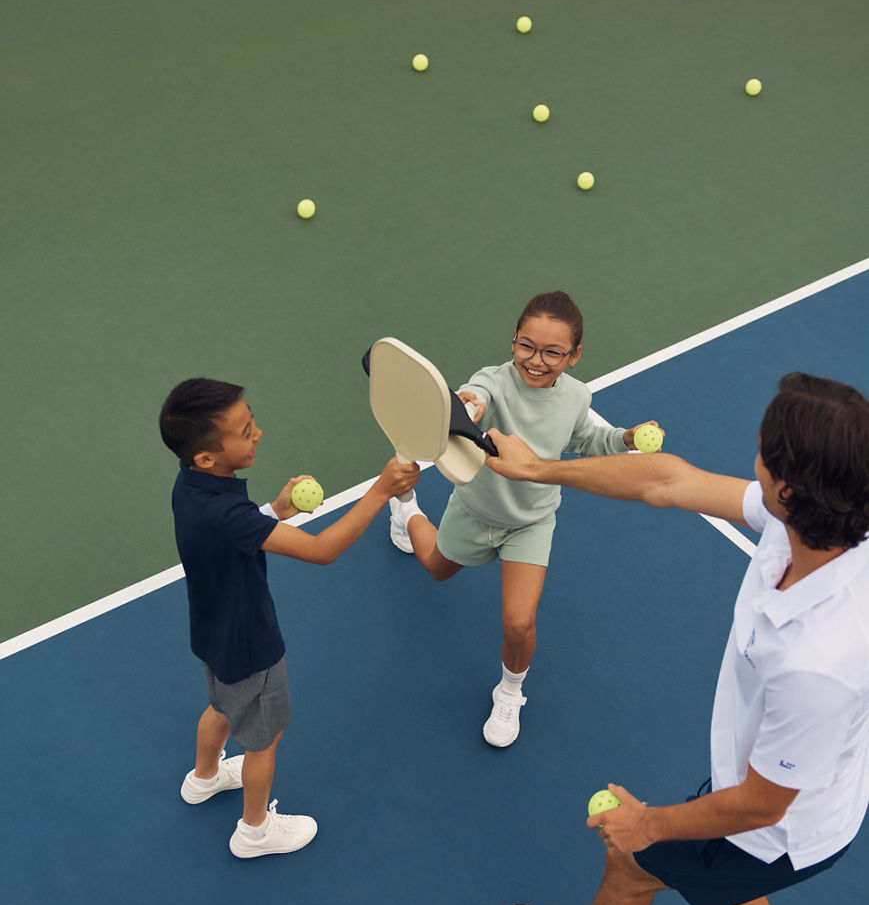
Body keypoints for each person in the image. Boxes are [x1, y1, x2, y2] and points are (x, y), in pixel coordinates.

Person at [487, 371, 869, 905]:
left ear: (789, 486)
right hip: (782, 796)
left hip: (774, 822)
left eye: (762, 448)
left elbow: (761, 803)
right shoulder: (818, 523)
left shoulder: (819, 659)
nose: (752, 451)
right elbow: (665, 480)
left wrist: (650, 824)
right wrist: (540, 466)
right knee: (740, 886)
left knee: (629, 864)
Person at [159, 378, 419, 859]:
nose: (257, 433)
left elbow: (237, 533)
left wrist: (276, 510)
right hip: (251, 645)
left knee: (219, 706)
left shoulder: (192, 487)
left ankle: (205, 778)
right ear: (206, 458)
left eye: (251, 420)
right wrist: (382, 490)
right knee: (263, 740)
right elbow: (322, 551)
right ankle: (254, 832)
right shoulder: (228, 514)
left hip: (211, 635)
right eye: (244, 431)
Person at [387, 291, 658, 746]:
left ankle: (510, 692)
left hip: (531, 522)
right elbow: (474, 397)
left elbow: (587, 439)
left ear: (574, 356)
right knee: (434, 567)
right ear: (513, 339)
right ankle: (407, 509)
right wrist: (467, 404)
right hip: (475, 509)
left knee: (518, 623)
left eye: (553, 351)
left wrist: (627, 437)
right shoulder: (491, 381)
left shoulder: (576, 396)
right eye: (526, 345)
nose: (536, 360)